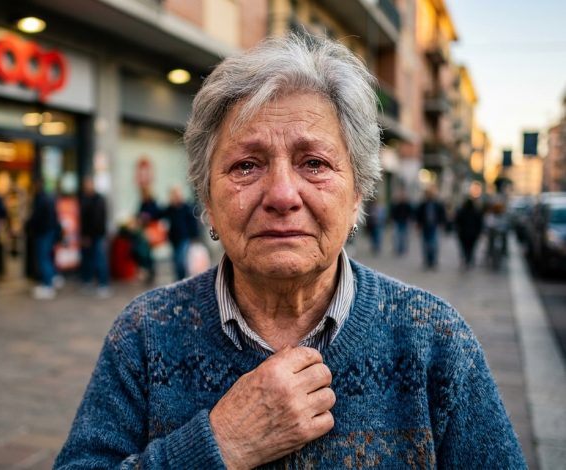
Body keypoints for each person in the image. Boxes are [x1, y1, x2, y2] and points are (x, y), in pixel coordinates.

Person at [56, 33, 524, 468]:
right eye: (246, 165)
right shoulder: (144, 333)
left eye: (314, 163)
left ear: (358, 193)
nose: (282, 194)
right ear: (207, 203)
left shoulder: (434, 340)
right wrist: (219, 444)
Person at [27, 177, 61, 299]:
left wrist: (30, 226)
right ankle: (52, 278)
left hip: (43, 233)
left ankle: (48, 285)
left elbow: (37, 218)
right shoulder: (49, 199)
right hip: (48, 232)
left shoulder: (41, 200)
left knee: (43, 258)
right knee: (47, 257)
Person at [79, 175, 111, 298]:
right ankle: (90, 281)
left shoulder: (98, 200)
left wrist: (90, 235)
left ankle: (103, 283)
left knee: (100, 259)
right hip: (89, 235)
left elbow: (98, 220)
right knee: (90, 259)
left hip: (97, 235)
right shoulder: (85, 199)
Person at [162, 186, 199, 280]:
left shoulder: (186, 207)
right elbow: (159, 214)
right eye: (173, 194)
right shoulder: (170, 208)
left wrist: (194, 236)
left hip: (184, 237)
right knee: (176, 260)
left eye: (177, 194)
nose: (176, 196)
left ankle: (182, 278)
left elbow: (193, 222)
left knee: (180, 260)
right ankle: (179, 279)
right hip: (174, 238)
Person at [415, 184, 447, 270]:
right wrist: (418, 226)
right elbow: (418, 216)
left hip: (434, 226)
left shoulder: (438, 204)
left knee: (433, 244)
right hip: (425, 227)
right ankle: (427, 260)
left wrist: (442, 224)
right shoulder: (423, 204)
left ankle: (433, 261)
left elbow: (442, 215)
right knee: (425, 244)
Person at [136, 187, 161, 283]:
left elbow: (157, 214)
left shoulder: (153, 203)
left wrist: (147, 217)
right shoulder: (142, 203)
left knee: (148, 253)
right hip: (144, 232)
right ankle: (147, 270)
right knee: (144, 252)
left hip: (151, 231)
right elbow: (138, 214)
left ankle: (150, 272)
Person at [454, 195, 484, 270]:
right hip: (472, 233)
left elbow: (457, 221)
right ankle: (469, 259)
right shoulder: (476, 212)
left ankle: (466, 258)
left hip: (463, 233)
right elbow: (480, 223)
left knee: (465, 247)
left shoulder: (462, 211)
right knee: (471, 247)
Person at [389, 189, 413, 255]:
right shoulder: (397, 204)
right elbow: (393, 212)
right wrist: (393, 219)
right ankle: (399, 248)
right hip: (398, 221)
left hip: (405, 222)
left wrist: (410, 219)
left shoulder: (407, 205)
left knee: (404, 236)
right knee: (398, 236)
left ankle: (403, 248)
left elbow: (410, 213)